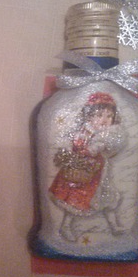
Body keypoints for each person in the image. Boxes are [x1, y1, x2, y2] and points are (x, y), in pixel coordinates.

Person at [49, 92, 127, 242]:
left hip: (101, 172)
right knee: (75, 200)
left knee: (107, 197)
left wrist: (106, 147)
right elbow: (78, 146)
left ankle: (114, 225)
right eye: (99, 115)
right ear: (89, 116)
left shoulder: (109, 133)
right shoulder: (85, 131)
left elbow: (112, 149)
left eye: (109, 116)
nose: (104, 120)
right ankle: (65, 226)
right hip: (83, 171)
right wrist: (87, 149)